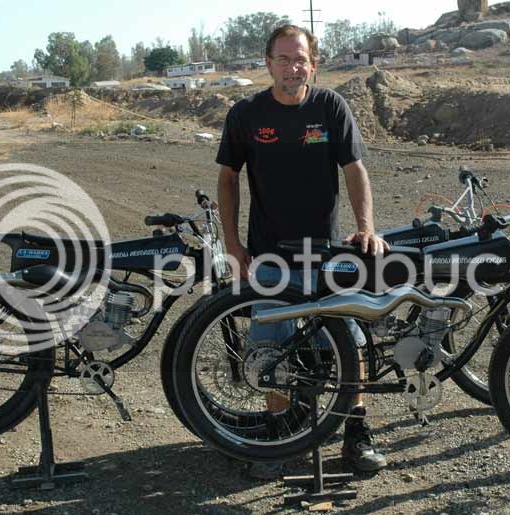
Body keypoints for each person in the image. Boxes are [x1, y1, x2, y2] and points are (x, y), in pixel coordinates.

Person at [216, 24, 390, 480]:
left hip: (327, 254)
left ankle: (356, 434)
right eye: (283, 59)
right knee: (270, 350)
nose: (292, 67)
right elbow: (228, 178)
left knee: (348, 343)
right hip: (269, 255)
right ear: (268, 62)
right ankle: (280, 436)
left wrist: (366, 227)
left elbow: (355, 168)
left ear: (313, 63)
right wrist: (232, 244)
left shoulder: (330, 106)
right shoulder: (247, 114)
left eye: (300, 59)